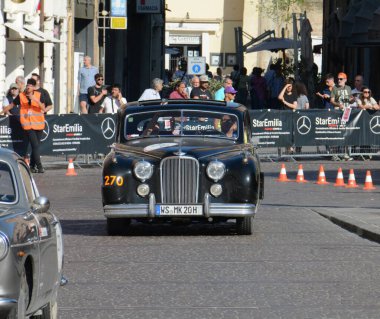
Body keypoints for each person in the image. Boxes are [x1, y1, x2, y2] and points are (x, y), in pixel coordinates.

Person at [3, 78, 46, 173]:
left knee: (36, 146)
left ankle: (31, 166)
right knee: (35, 145)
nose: (28, 87)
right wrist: (2, 111)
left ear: (34, 87)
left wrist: (35, 100)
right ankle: (40, 167)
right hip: (28, 125)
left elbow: (44, 108)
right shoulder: (21, 96)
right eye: (27, 85)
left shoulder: (39, 95)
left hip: (39, 124)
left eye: (30, 86)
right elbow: (11, 105)